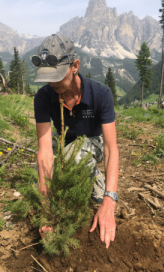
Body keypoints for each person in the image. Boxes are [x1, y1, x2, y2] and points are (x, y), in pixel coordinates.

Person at [32, 34, 119, 249]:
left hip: (93, 141)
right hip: (62, 140)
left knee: (75, 156)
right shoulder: (43, 97)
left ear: (75, 66)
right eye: (47, 76)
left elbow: (110, 148)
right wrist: (46, 210)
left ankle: (97, 186)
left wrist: (110, 199)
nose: (52, 82)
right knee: (39, 174)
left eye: (57, 75)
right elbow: (44, 151)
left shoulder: (100, 94)